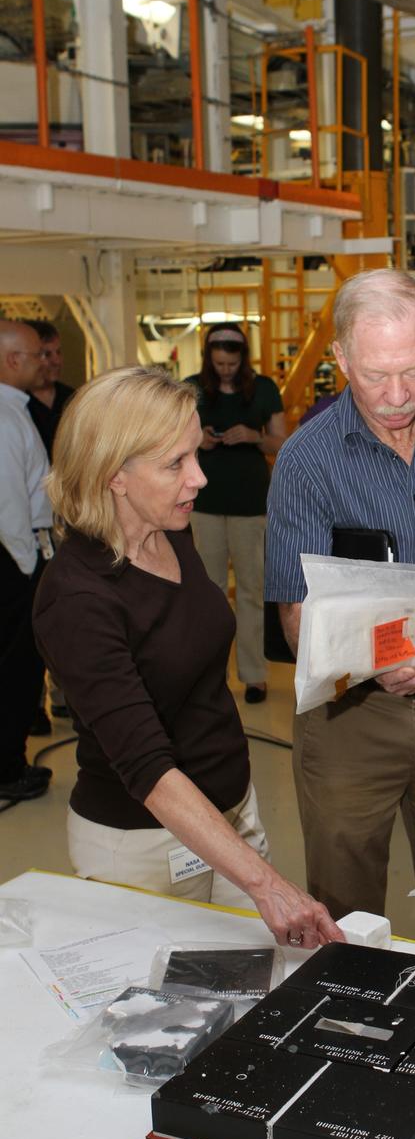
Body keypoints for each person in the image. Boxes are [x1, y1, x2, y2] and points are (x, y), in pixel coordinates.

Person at [33, 366, 341, 949]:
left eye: (196, 455)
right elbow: (146, 768)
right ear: (112, 475)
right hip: (141, 847)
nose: (198, 478)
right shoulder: (75, 596)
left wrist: (245, 841)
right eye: (175, 464)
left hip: (230, 816)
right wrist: (266, 883)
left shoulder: (172, 532)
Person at [266, 268, 415, 954]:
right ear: (340, 358)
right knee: (345, 916)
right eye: (376, 376)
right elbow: (296, 619)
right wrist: (380, 660)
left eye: (414, 370)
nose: (399, 395)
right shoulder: (306, 462)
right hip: (350, 721)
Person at [185, 325, 285, 705]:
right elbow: (169, 436)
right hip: (203, 502)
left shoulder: (263, 389)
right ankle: (211, 676)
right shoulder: (191, 387)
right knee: (207, 593)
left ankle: (254, 674)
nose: (225, 369)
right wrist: (200, 439)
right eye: (219, 363)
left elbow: (282, 440)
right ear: (208, 359)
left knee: (251, 591)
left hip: (250, 502)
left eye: (232, 362)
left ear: (243, 359)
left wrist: (254, 436)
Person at [0, 320, 52, 802]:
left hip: (17, 556)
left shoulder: (15, 410)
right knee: (15, 668)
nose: (45, 362)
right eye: (38, 354)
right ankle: (7, 767)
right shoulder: (4, 416)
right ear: (13, 359)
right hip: (13, 561)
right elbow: (9, 504)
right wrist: (26, 565)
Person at [25, 319, 76, 731]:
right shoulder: (15, 407)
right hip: (30, 525)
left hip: (71, 518)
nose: (53, 361)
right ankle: (32, 703)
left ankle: (66, 694)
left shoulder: (74, 401)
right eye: (45, 354)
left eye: (57, 352)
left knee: (70, 608)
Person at [25, 320, 76, 460]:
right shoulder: (18, 402)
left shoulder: (73, 398)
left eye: (58, 352)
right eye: (47, 354)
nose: (56, 361)